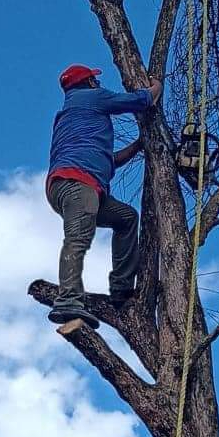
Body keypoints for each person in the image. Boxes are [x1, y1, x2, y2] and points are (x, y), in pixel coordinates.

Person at [46, 63, 162, 326]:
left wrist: (137, 146)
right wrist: (156, 87)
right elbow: (141, 100)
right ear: (87, 83)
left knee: (126, 218)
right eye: (94, 80)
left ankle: (121, 289)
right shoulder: (89, 97)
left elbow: (107, 160)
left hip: (75, 185)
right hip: (77, 184)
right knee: (77, 239)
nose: (98, 83)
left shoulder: (73, 115)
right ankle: (68, 301)